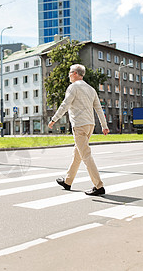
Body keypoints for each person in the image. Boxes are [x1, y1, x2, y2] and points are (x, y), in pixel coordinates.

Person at [48, 64, 109, 196]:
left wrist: (54, 119)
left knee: (85, 154)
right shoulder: (91, 89)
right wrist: (104, 126)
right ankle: (68, 181)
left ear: (75, 73)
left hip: (79, 125)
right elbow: (99, 109)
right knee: (78, 154)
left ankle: (99, 186)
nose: (69, 75)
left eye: (70, 72)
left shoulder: (73, 87)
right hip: (89, 125)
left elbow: (65, 105)